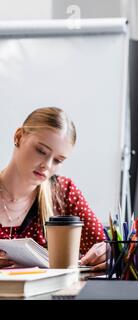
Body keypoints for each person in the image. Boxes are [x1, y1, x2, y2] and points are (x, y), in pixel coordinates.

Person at [0, 107, 106, 270]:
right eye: (41, 151)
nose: (47, 165)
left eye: (58, 160)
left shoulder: (64, 193)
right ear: (19, 137)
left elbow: (106, 249)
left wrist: (108, 252)